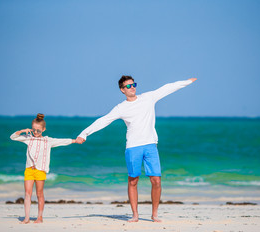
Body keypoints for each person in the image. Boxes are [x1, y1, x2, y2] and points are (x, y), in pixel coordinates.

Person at [75, 76, 197, 222]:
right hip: (133, 147)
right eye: (128, 86)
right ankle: (135, 215)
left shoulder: (148, 98)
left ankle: (155, 214)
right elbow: (103, 120)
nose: (132, 87)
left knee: (156, 180)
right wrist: (84, 134)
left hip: (150, 144)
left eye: (133, 84)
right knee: (133, 181)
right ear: (122, 90)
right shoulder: (120, 108)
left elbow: (167, 88)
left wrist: (187, 82)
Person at [10, 113, 76, 224]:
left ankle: (39, 217)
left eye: (38, 131)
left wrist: (74, 140)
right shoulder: (28, 139)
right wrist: (22, 131)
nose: (36, 133)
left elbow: (62, 141)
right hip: (29, 170)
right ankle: (26, 218)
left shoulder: (48, 141)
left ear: (44, 129)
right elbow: (12, 137)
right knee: (27, 194)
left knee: (39, 194)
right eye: (34, 130)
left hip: (40, 170)